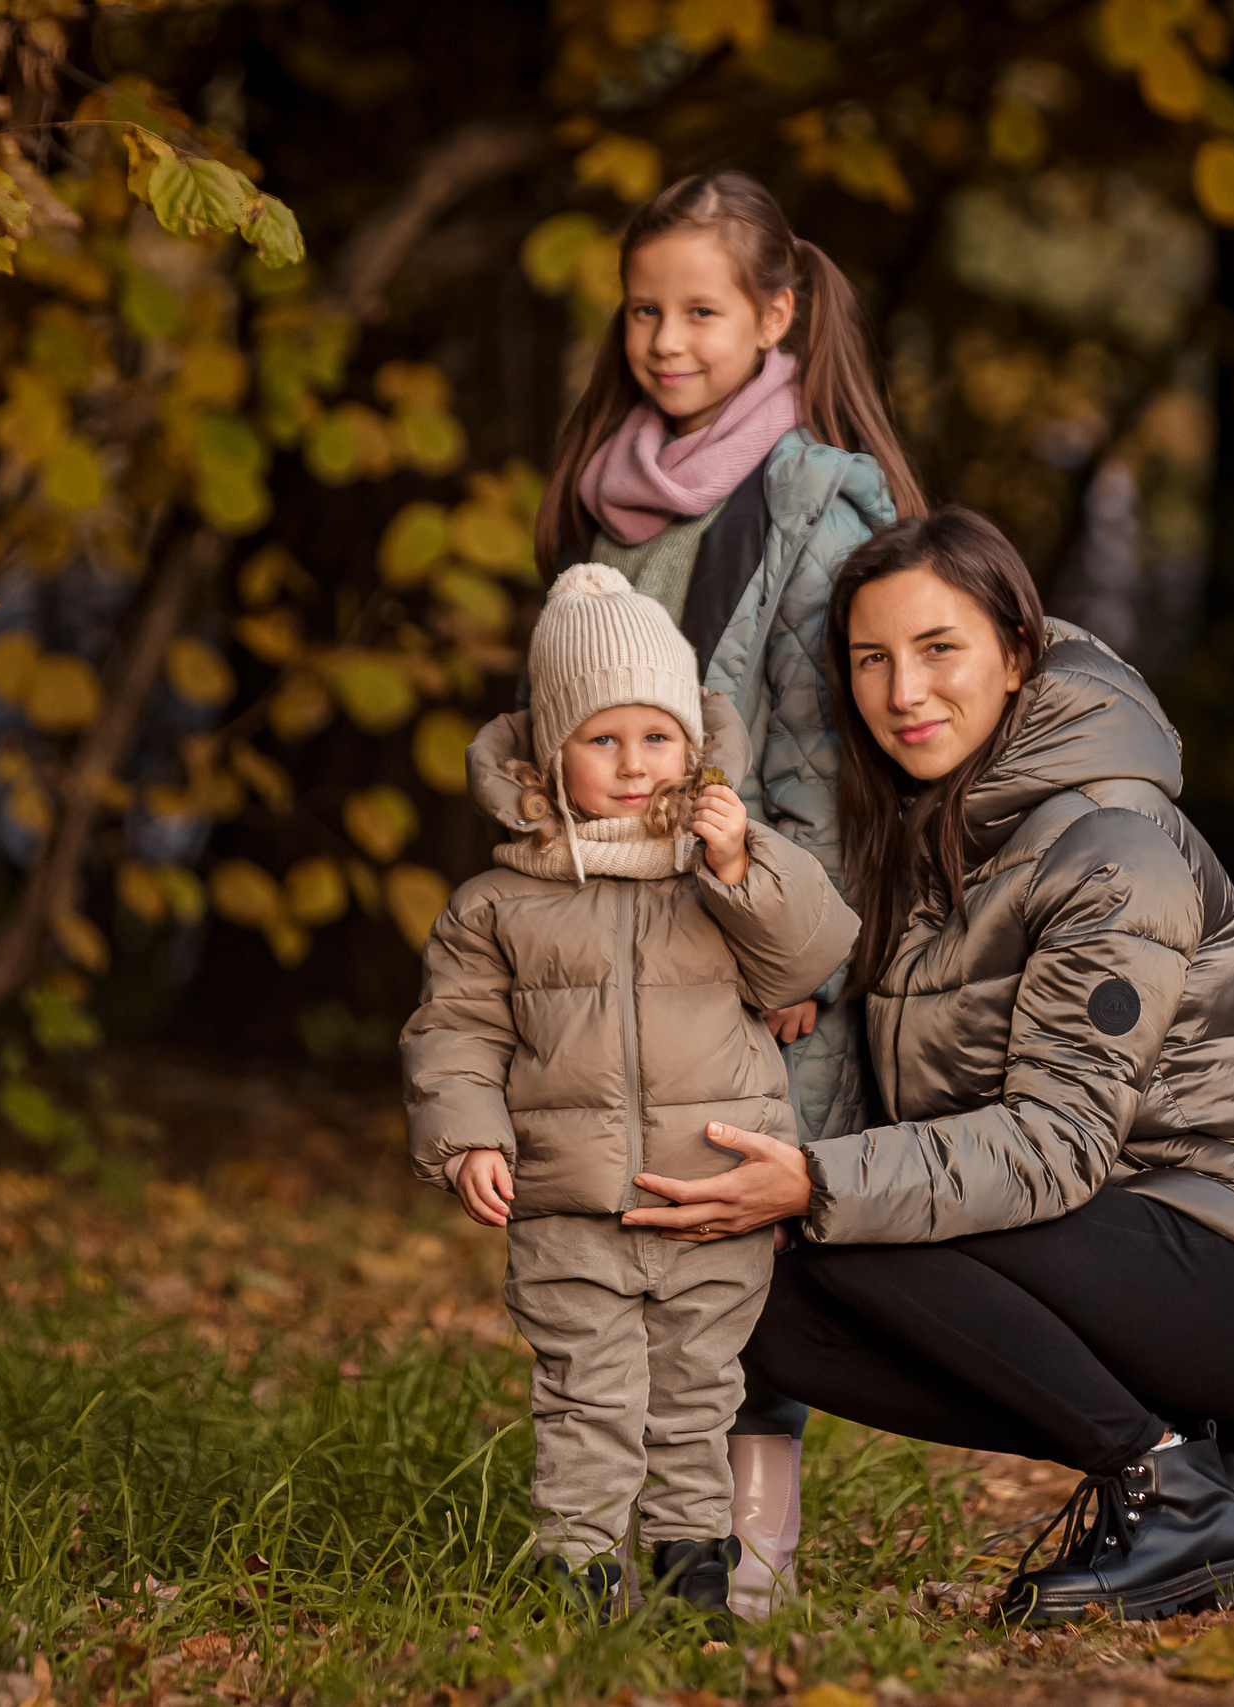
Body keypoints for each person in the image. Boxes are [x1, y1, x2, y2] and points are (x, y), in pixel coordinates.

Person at [621, 509, 1234, 1626]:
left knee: (851, 1227)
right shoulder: (931, 834)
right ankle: (1212, 1479)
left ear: (1017, 655)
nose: (903, 693)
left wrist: (817, 1183)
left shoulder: (1111, 848)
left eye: (940, 650)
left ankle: (1165, 1491)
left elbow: (1053, 1143)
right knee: (768, 1303)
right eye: (871, 659)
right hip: (1132, 1241)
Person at [532, 170, 922, 1610]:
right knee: (610, 1239)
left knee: (736, 1260)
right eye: (645, 309)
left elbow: (830, 765)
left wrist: (788, 958)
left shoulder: (813, 509)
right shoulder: (611, 495)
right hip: (614, 949)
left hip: (751, 953)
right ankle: (610, 1543)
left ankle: (743, 1575)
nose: (667, 338)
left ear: (778, 313)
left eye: (702, 309)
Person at [401, 564, 860, 1626]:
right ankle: (580, 1573)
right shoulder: (497, 904)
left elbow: (808, 963)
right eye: (601, 740)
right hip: (567, 1208)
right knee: (587, 1396)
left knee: (700, 1394)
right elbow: (454, 1031)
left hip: (711, 1199)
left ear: (692, 750)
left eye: (655, 739)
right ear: (550, 755)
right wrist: (467, 1135)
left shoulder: (721, 872)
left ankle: (692, 1566)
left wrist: (744, 862)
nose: (631, 763)